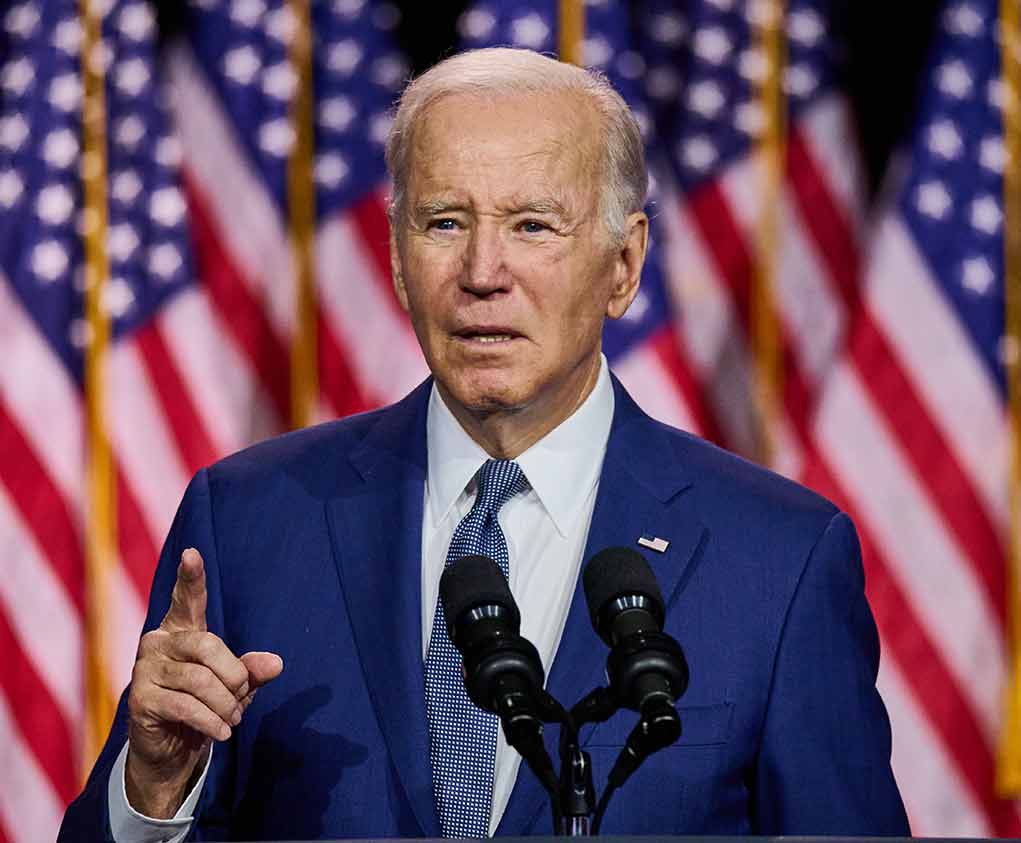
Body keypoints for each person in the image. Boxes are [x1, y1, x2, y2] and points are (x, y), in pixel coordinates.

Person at [61, 47, 910, 840]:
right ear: (397, 260)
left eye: (533, 225)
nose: (481, 272)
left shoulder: (778, 559)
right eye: (442, 222)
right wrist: (154, 786)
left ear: (623, 264)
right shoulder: (250, 520)